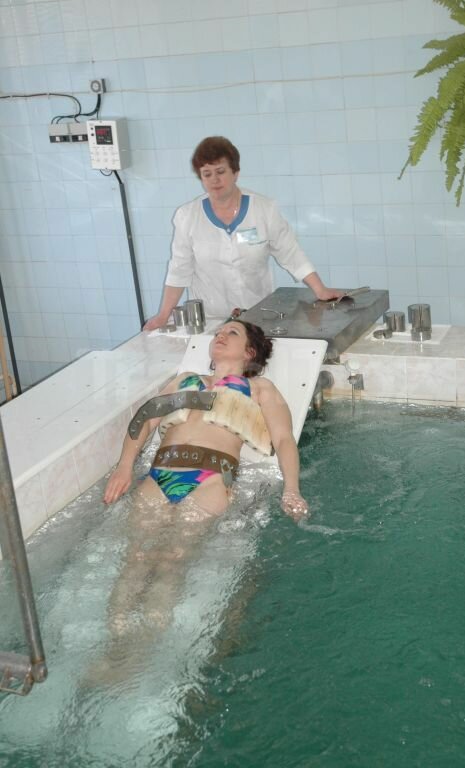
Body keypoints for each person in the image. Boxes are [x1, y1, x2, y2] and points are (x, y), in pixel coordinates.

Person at [99, 320, 307, 653]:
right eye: (219, 332)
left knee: (172, 561)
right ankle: (115, 644)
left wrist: (291, 488)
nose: (221, 335)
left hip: (209, 479)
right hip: (160, 474)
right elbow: (145, 420)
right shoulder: (184, 380)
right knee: (135, 558)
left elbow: (284, 440)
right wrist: (124, 467)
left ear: (249, 352)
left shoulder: (259, 388)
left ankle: (144, 649)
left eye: (232, 333)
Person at [143, 136, 344, 330]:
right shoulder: (187, 216)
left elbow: (290, 253)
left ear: (235, 172)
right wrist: (163, 316)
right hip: (211, 321)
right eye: (207, 174)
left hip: (258, 317)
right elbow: (179, 270)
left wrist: (320, 289)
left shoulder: (264, 209)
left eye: (220, 171)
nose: (214, 179)